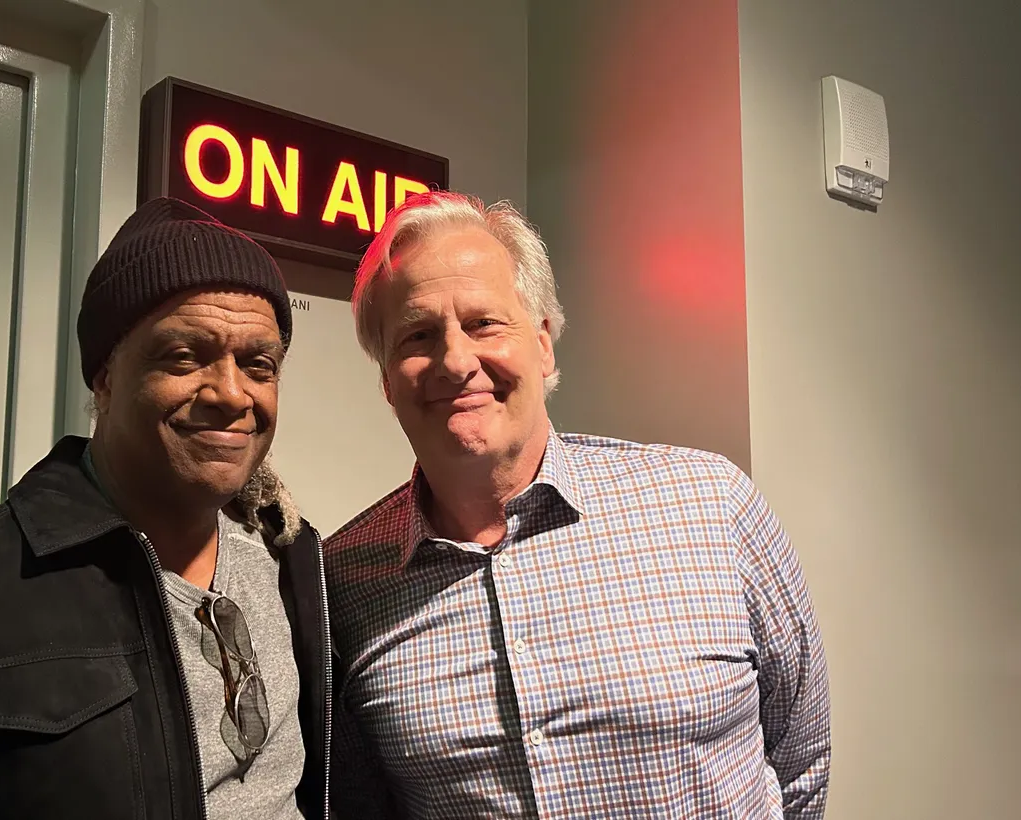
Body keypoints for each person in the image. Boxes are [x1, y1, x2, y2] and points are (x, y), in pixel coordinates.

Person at [0, 197, 331, 820]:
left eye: (258, 364)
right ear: (105, 377)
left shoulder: (294, 561)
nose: (232, 393)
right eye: (184, 356)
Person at [324, 190, 830, 819]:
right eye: (418, 336)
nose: (456, 361)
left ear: (543, 344)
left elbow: (801, 759)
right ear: (387, 381)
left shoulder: (710, 505)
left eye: (484, 323)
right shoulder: (339, 583)